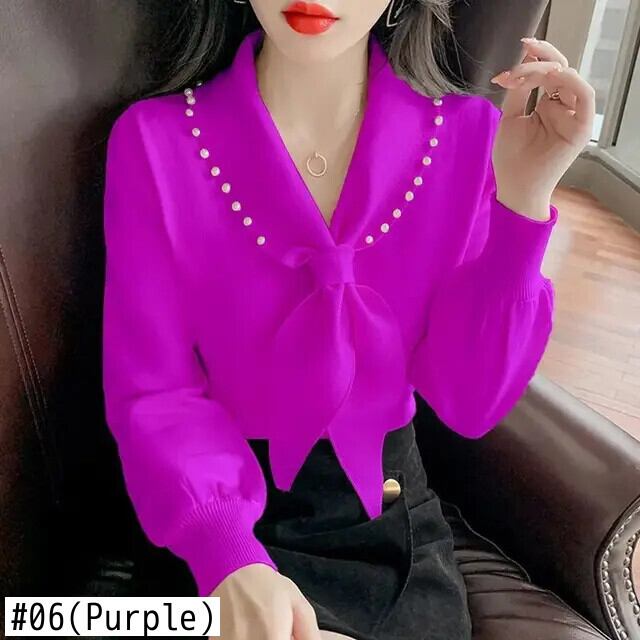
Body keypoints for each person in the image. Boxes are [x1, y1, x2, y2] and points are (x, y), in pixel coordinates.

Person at [101, 1, 595, 638]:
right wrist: (226, 552)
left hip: (387, 529)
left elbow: (470, 401)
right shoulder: (155, 140)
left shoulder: (471, 137)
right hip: (210, 526)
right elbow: (156, 390)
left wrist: (523, 201)